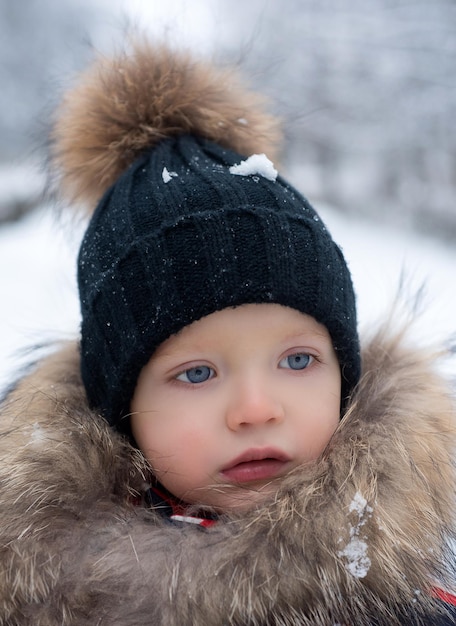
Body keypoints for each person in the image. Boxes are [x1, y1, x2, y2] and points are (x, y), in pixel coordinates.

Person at [0, 39, 455, 626]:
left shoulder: (397, 599)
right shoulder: (42, 599)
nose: (256, 409)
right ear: (119, 408)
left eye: (297, 361)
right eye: (196, 373)